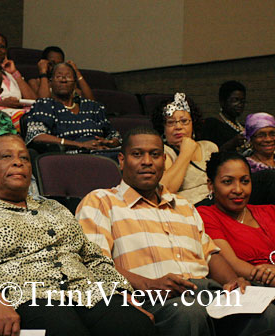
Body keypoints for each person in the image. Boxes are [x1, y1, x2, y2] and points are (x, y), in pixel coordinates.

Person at [0, 134, 155, 336]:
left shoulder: (54, 208)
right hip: (26, 296)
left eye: (24, 158)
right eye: (6, 156)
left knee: (138, 327)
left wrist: (120, 290)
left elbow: (92, 257)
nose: (18, 162)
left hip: (87, 293)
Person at [76, 127, 275, 336]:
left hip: (206, 292)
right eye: (137, 154)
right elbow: (94, 263)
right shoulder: (101, 201)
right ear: (122, 160)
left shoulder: (183, 205)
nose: (147, 161)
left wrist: (233, 280)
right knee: (189, 313)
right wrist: (148, 284)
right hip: (150, 297)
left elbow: (210, 254)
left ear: (164, 160)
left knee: (267, 315)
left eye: (155, 155)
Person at [197, 151, 275, 285]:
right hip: (253, 288)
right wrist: (269, 276)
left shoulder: (270, 211)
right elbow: (232, 264)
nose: (238, 190)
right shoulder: (206, 215)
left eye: (245, 181)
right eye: (227, 182)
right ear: (211, 185)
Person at [25, 62, 120, 154]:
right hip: (70, 156)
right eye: (58, 77)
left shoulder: (93, 107)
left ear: (75, 83)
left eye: (68, 76)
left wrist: (110, 142)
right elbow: (37, 136)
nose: (63, 80)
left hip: (103, 153)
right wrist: (80, 145)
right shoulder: (45, 106)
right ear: (51, 82)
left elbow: (115, 136)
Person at [151, 93, 217, 204]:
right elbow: (165, 190)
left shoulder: (209, 147)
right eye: (171, 122)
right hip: (188, 208)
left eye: (184, 121)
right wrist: (185, 153)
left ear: (193, 123)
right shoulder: (162, 152)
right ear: (163, 128)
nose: (178, 127)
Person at [201, 81, 250, 152]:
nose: (240, 105)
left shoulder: (242, 127)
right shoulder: (212, 125)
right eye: (235, 100)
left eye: (242, 101)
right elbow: (206, 153)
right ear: (222, 102)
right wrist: (231, 144)